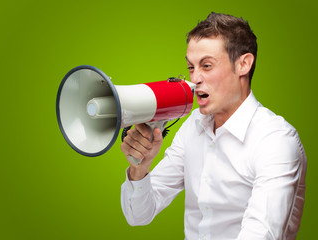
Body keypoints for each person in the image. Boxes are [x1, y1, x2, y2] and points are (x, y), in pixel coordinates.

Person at [120, 12, 307, 240]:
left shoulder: (275, 141)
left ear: (243, 64)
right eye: (191, 67)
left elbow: (261, 233)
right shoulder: (193, 126)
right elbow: (138, 215)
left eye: (206, 66)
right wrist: (141, 167)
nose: (194, 79)